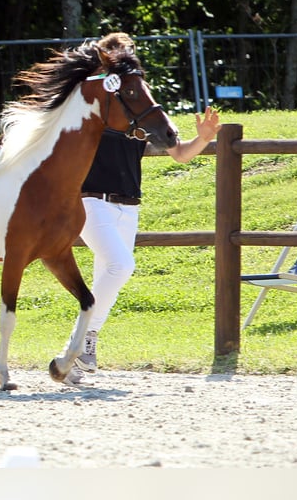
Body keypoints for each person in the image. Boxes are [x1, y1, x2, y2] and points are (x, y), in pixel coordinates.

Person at [65, 102, 221, 386]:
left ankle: (69, 360)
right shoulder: (93, 113)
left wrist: (204, 138)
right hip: (91, 202)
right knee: (121, 266)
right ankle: (81, 341)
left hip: (129, 208)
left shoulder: (148, 120)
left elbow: (181, 154)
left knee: (108, 275)